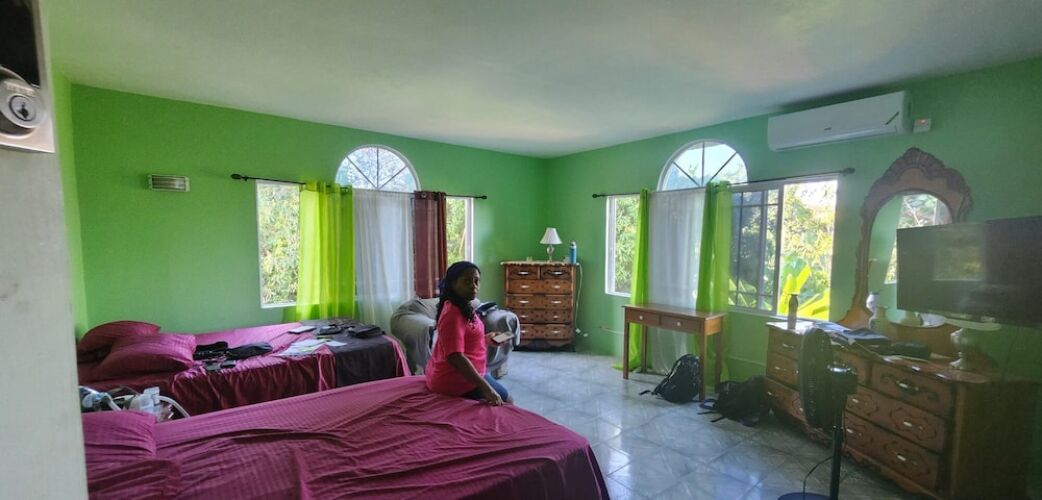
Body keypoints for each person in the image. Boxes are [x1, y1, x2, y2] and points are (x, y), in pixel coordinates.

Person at [425, 261, 513, 405]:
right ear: (453, 284)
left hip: (471, 372)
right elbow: (455, 356)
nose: (473, 286)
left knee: (505, 398)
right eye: (467, 281)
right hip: (454, 379)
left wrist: (487, 339)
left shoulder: (463, 305)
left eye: (476, 281)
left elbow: (463, 339)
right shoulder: (452, 314)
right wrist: (487, 389)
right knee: (508, 402)